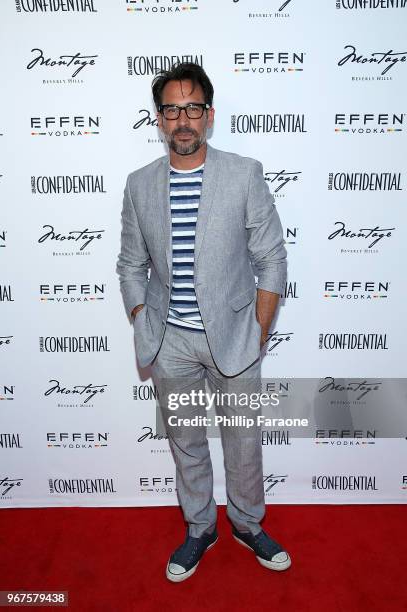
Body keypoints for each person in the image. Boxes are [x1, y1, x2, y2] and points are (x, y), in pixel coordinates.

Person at [116, 62, 291, 582]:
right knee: (186, 442)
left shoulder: (244, 173)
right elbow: (130, 263)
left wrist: (258, 332)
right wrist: (143, 318)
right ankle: (199, 528)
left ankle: (246, 522)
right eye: (172, 110)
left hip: (235, 338)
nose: (183, 119)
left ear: (209, 116)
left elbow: (272, 259)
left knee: (243, 442)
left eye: (193, 108)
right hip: (170, 343)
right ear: (160, 119)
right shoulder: (139, 184)